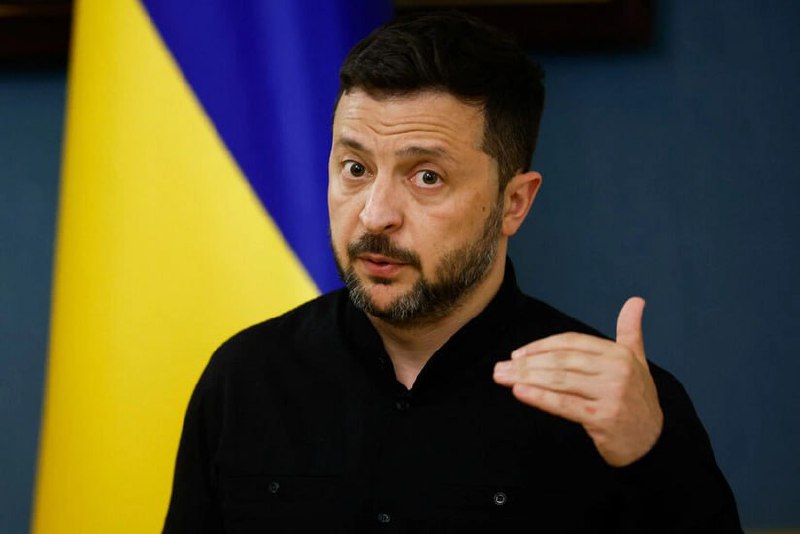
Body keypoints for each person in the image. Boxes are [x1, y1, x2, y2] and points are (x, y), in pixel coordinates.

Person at [163, 11, 742, 533]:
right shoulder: (245, 380)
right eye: (355, 168)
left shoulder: (619, 407)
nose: (375, 214)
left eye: (427, 177)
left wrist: (650, 456)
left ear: (513, 203)